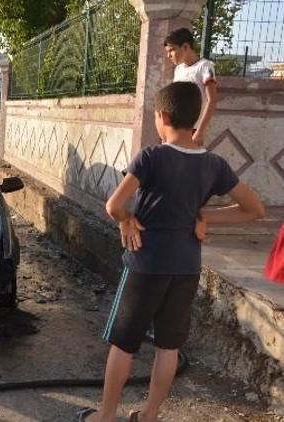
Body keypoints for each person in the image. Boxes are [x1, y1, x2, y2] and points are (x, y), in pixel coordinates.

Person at [79, 82, 265, 422]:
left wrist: (127, 219)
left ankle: (105, 416)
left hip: (145, 263)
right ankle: (148, 416)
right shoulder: (214, 164)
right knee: (169, 346)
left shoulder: (152, 156)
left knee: (123, 343)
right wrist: (204, 214)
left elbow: (114, 205)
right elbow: (254, 209)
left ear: (162, 116)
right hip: (186, 266)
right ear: (194, 118)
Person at [164, 27, 217, 146]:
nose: (169, 55)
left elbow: (212, 100)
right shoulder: (178, 70)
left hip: (193, 130)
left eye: (172, 50)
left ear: (185, 47)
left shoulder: (205, 67)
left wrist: (200, 131)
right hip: (176, 128)